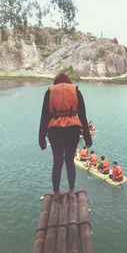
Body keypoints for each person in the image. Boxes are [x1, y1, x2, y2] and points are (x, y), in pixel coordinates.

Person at [39, 71, 92, 201]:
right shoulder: (76, 91)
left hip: (54, 130)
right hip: (72, 130)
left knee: (57, 161)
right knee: (69, 161)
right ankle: (72, 191)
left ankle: (56, 193)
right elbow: (83, 117)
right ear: (69, 81)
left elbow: (44, 117)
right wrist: (87, 137)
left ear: (55, 82)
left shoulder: (49, 92)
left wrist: (41, 138)